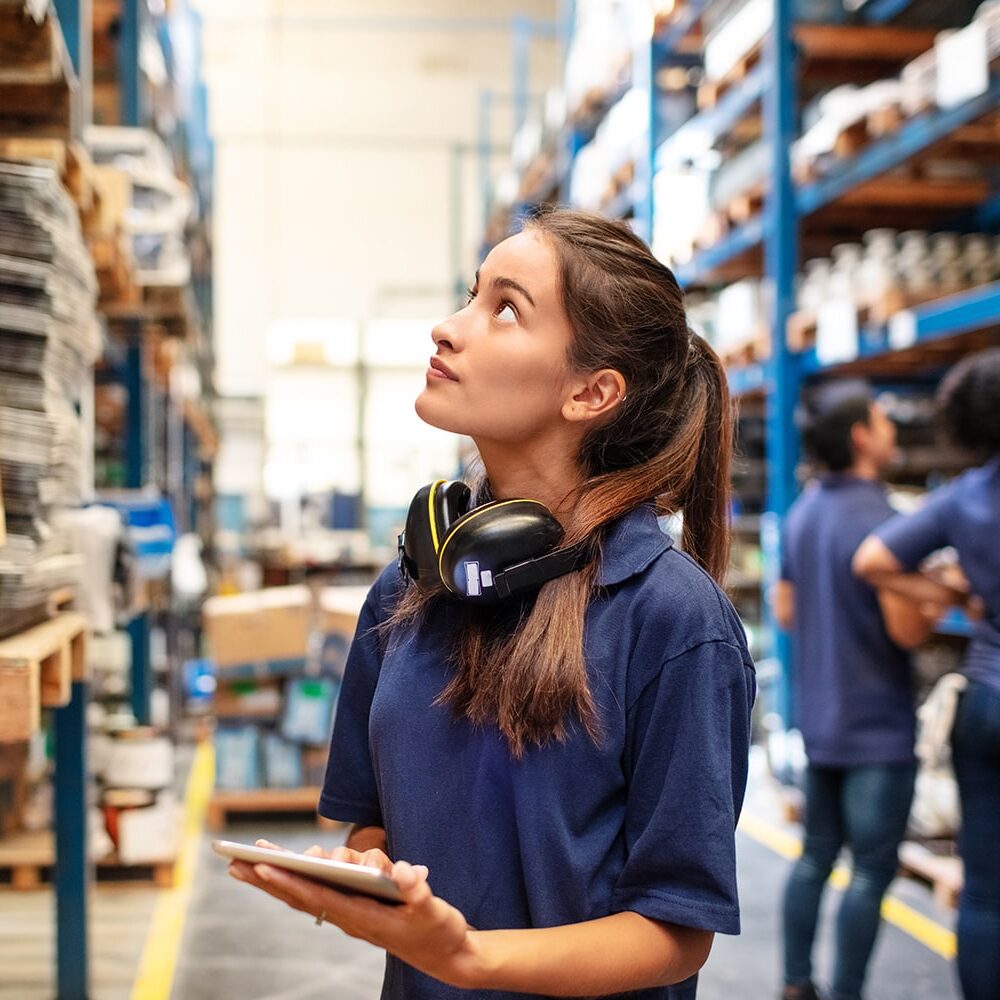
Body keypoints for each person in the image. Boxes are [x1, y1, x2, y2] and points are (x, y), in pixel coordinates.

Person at [227, 209, 756, 999]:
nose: (447, 328)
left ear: (591, 391)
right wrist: (370, 871)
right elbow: (373, 822)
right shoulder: (409, 590)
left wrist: (468, 958)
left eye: (504, 308)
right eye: (470, 296)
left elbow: (676, 930)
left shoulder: (674, 623)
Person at [773, 381, 934, 1000]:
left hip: (821, 719)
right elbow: (906, 628)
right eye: (884, 422)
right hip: (878, 728)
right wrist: (938, 592)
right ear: (863, 438)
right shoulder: (888, 523)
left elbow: (786, 611)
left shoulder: (803, 513)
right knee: (869, 871)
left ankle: (794, 982)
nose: (892, 432)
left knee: (815, 858)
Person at [853, 348, 1000, 1000]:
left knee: (986, 889)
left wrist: (951, 590)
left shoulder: (964, 499)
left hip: (985, 697)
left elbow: (874, 560)